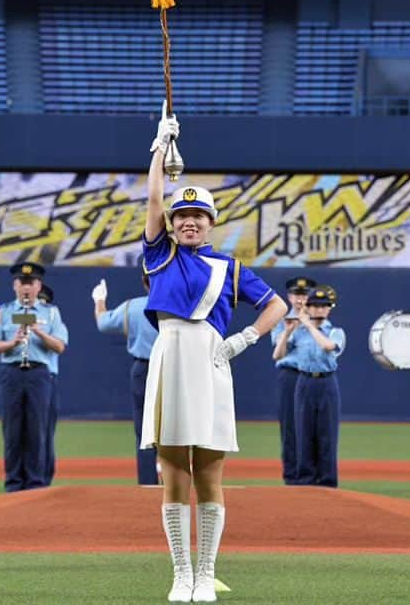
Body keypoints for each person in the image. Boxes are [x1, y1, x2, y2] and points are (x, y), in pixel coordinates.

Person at [142, 109, 287, 603]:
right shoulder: (158, 253)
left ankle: (206, 572)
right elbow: (154, 195)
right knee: (172, 470)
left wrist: (244, 339)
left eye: (197, 216)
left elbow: (278, 305)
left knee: (209, 470)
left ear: (210, 224)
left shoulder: (231, 267)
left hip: (211, 358)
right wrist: (159, 147)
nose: (188, 222)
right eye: (182, 216)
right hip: (169, 355)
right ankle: (180, 573)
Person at [0, 262, 67, 492]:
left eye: (30, 283)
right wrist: (12, 342)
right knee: (12, 430)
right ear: (14, 285)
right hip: (12, 371)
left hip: (39, 372)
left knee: (37, 429)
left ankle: (35, 482)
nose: (26, 288)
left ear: (38, 285)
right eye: (22, 283)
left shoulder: (50, 312)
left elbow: (59, 346)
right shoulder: (4, 311)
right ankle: (13, 481)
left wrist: (39, 332)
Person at [93, 271, 160, 485]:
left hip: (143, 369)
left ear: (144, 282)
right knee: (177, 431)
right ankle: (177, 483)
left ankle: (148, 484)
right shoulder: (182, 306)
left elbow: (103, 323)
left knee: (144, 433)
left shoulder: (132, 306)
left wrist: (99, 300)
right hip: (173, 370)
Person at [290, 285, 345, 488]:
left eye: (323, 306)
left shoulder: (336, 332)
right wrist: (290, 331)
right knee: (304, 432)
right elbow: (278, 354)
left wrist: (309, 326)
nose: (319, 310)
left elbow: (328, 346)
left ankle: (327, 481)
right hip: (304, 381)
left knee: (327, 433)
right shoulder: (299, 332)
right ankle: (305, 480)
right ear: (308, 308)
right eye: (314, 306)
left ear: (329, 309)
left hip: (327, 382)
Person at [270, 276, 316, 485]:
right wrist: (291, 329)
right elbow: (279, 349)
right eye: (297, 294)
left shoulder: (319, 318)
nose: (301, 299)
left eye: (305, 294)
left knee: (313, 426)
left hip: (312, 375)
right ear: (289, 296)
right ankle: (291, 476)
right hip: (290, 374)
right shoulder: (281, 319)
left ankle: (313, 474)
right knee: (290, 426)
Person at [38, 282, 68, 485]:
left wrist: (39, 332)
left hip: (47, 376)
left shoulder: (51, 316)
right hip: (20, 375)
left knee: (45, 431)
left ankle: (45, 475)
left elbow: (59, 346)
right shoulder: (13, 314)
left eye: (43, 300)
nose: (40, 303)